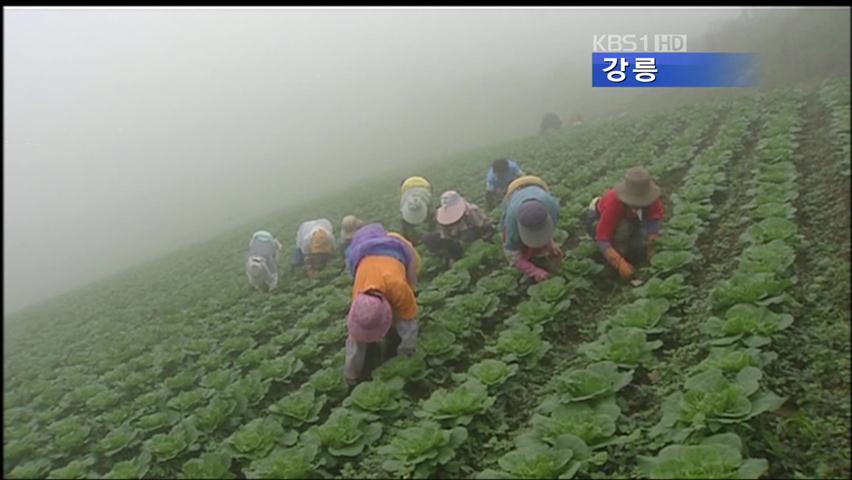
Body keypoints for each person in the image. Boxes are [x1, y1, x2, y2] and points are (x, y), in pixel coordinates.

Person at [343, 223, 420, 386]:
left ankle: (393, 338)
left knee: (402, 322)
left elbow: (409, 323)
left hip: (398, 256)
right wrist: (351, 377)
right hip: (366, 259)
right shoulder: (358, 296)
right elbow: (354, 341)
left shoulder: (398, 287)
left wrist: (405, 357)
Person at [584, 166, 664, 281]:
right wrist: (619, 263)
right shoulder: (614, 203)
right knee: (623, 231)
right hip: (597, 217)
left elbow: (653, 221)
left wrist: (652, 247)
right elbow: (602, 238)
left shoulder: (650, 197)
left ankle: (626, 250)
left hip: (630, 217)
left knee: (640, 246)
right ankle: (613, 261)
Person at [501, 176, 563, 282]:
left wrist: (551, 244)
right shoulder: (510, 222)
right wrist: (534, 271)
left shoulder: (552, 207)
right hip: (513, 193)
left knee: (543, 245)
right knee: (519, 249)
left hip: (537, 186)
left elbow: (546, 228)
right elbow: (512, 254)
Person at [423, 190, 494, 266]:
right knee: (428, 238)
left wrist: (485, 238)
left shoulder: (471, 210)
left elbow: (485, 226)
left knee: (466, 235)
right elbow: (446, 237)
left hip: (471, 235)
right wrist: (450, 254)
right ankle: (447, 257)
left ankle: (462, 255)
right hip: (454, 239)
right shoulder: (441, 217)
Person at [399, 175, 435, 246]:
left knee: (431, 214)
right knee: (404, 221)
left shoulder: (427, 196)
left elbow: (430, 207)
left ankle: (432, 232)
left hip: (424, 184)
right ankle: (408, 239)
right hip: (408, 186)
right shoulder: (404, 199)